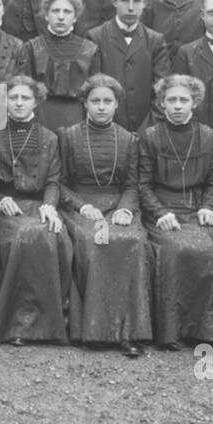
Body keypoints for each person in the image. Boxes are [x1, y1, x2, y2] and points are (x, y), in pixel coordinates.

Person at [137, 75, 213, 347]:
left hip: (197, 209)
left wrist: (208, 207)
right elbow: (143, 185)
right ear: (162, 104)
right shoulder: (149, 137)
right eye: (171, 100)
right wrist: (159, 212)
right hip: (162, 211)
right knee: (175, 250)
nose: (178, 106)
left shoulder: (208, 135)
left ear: (194, 103)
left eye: (184, 100)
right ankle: (173, 332)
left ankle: (210, 332)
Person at [57, 74, 152, 357]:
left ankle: (129, 331)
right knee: (94, 239)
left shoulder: (129, 139)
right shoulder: (68, 135)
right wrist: (80, 205)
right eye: (95, 101)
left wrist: (124, 208)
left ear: (116, 105)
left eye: (107, 101)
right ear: (85, 104)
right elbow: (58, 182)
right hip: (81, 206)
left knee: (130, 240)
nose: (101, 107)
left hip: (117, 204)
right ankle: (94, 330)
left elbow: (132, 185)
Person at [0, 76, 72, 347]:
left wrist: (50, 205)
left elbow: (55, 179)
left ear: (36, 101)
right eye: (13, 98)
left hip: (39, 205)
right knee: (22, 238)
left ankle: (50, 324)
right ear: (5, 101)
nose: (19, 103)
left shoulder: (49, 137)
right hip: (4, 209)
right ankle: (17, 324)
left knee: (55, 236)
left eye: (25, 98)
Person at [88, 0, 172, 132]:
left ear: (145, 2)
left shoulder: (155, 40)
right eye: (125, 1)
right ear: (114, 1)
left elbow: (162, 90)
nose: (131, 8)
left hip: (146, 129)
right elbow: (94, 89)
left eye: (136, 1)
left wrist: (148, 128)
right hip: (107, 128)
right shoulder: (96, 37)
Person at [16, 0, 99, 133]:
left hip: (77, 117)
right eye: (55, 11)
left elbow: (96, 91)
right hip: (40, 117)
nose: (61, 17)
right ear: (46, 15)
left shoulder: (89, 50)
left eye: (67, 12)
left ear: (75, 17)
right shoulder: (31, 47)